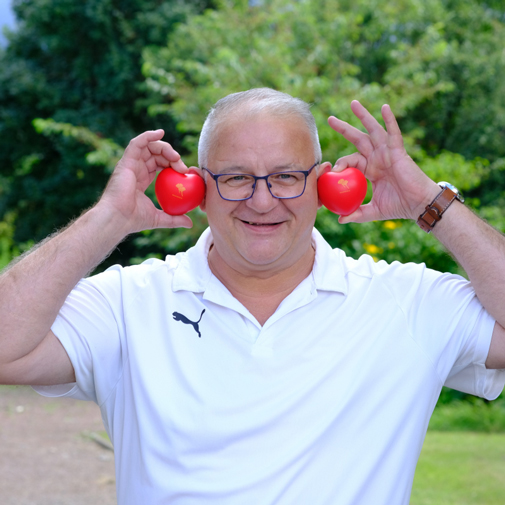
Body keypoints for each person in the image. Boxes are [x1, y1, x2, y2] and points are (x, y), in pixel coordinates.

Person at [0, 88, 504, 504]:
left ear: (323, 183)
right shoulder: (129, 303)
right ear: (196, 187)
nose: (262, 201)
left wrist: (427, 202)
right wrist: (107, 219)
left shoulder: (406, 301)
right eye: (236, 177)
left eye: (286, 176)